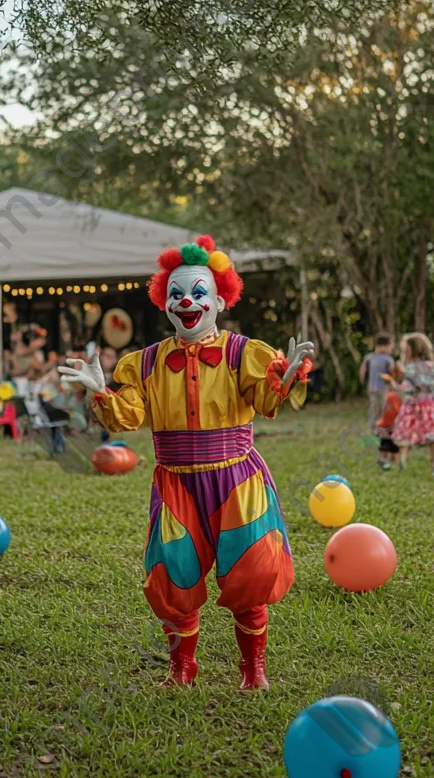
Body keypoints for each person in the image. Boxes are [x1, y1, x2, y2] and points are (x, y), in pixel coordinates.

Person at [59, 234, 314, 690]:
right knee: (173, 577)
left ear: (218, 300)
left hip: (237, 479)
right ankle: (182, 669)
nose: (186, 301)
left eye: (197, 292)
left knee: (250, 573)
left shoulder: (243, 353)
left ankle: (253, 670)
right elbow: (129, 415)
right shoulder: (148, 363)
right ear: (164, 302)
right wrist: (99, 392)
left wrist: (285, 378)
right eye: (176, 293)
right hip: (176, 483)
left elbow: (264, 399)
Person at [391, 332, 434, 477]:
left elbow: (412, 388)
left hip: (417, 407)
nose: (403, 352)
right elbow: (432, 385)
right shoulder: (427, 366)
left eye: (405, 349)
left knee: (408, 435)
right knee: (430, 437)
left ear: (412, 350)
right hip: (426, 406)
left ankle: (404, 464)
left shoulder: (413, 368)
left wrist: (395, 384)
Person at [359, 334, 395, 432]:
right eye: (390, 347)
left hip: (371, 387)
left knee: (373, 407)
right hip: (384, 388)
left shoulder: (369, 357)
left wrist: (364, 383)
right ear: (384, 346)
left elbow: (362, 371)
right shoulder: (388, 359)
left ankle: (372, 427)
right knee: (383, 407)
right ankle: (381, 427)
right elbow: (392, 373)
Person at [374, 367, 403, 472]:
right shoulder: (391, 395)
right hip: (387, 424)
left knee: (395, 446)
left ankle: (397, 463)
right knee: (385, 444)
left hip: (394, 424)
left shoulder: (397, 394)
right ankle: (384, 461)